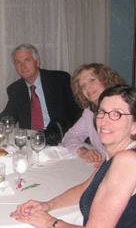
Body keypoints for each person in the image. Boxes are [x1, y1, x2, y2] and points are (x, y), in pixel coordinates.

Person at [11, 84, 136, 228]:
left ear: (134, 126)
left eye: (116, 114)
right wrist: (47, 205)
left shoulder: (127, 161)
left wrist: (49, 222)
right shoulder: (115, 157)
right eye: (101, 112)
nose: (104, 121)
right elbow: (85, 188)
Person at [0, 44, 82, 143]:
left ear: (37, 63)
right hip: (31, 142)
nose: (22, 66)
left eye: (27, 60)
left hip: (61, 140)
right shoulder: (15, 89)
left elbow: (78, 112)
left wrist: (76, 139)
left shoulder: (60, 80)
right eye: (18, 62)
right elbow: (8, 115)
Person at [62, 63, 126, 166]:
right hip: (102, 165)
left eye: (92, 80)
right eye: (83, 86)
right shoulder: (90, 112)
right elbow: (70, 136)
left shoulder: (125, 108)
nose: (88, 88)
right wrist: (83, 151)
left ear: (105, 80)